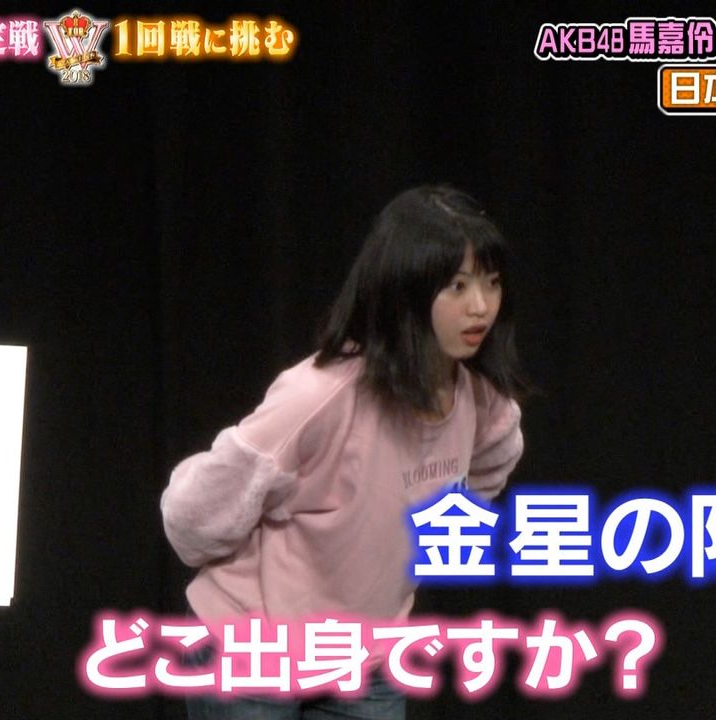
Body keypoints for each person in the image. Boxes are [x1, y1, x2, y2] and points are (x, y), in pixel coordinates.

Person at [161, 185, 529, 719]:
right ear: (403, 289)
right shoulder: (319, 395)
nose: (480, 307)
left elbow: (490, 467)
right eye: (457, 285)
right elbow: (192, 515)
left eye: (491, 283)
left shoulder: (481, 400)